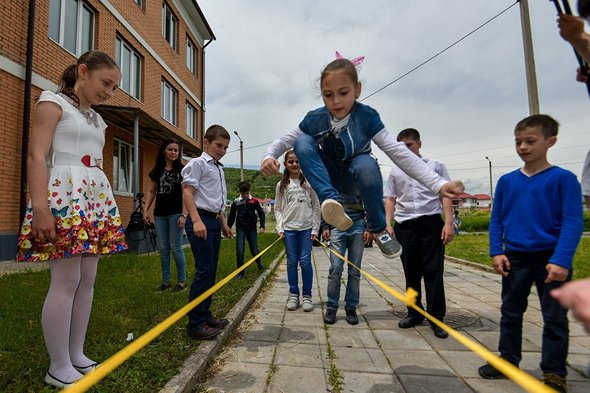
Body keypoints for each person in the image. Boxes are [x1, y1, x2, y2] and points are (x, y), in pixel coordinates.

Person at [260, 52, 464, 261]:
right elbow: (285, 139)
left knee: (365, 163)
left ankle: (378, 229)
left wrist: (438, 184)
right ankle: (330, 200)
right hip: (328, 177)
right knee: (301, 142)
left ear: (357, 90)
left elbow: (398, 152)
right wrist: (269, 156)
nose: (336, 101)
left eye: (343, 92)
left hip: (356, 177)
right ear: (322, 95)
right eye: (328, 95)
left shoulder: (366, 117)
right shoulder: (315, 119)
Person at [15, 51, 126, 388]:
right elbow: (36, 155)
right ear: (82, 71)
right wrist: (40, 208)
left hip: (93, 198)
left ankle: (76, 354)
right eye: (106, 83)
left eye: (114, 87)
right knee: (65, 280)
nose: (109, 92)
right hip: (65, 196)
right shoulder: (51, 102)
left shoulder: (97, 119)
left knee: (87, 279)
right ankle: (57, 365)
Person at [477, 114, 583, 393]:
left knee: (555, 318)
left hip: (551, 261)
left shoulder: (564, 179)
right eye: (518, 142)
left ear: (550, 141)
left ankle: (554, 372)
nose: (523, 147)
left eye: (530, 141)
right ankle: (509, 359)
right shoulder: (507, 181)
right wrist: (496, 251)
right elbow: (497, 218)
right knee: (510, 312)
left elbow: (573, 221)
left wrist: (561, 260)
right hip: (515, 258)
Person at [384, 128, 455, 339]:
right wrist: (388, 223)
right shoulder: (395, 172)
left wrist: (449, 223)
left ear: (419, 144)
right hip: (405, 226)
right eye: (401, 147)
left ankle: (436, 318)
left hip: (431, 223)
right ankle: (414, 313)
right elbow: (390, 199)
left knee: (433, 272)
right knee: (411, 272)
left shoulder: (435, 167)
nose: (405, 150)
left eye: (409, 146)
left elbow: (446, 195)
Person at [181, 125, 233, 340]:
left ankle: (205, 313)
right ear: (206, 142)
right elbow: (187, 192)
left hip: (213, 221)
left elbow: (215, 201)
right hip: (199, 220)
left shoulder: (218, 168)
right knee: (203, 271)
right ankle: (195, 324)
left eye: (226, 147)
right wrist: (195, 220)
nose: (222, 150)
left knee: (211, 271)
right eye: (218, 145)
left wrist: (224, 223)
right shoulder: (197, 164)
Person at [274, 150, 321, 312]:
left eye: (297, 161)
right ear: (286, 165)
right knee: (292, 262)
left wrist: (315, 229)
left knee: (306, 262)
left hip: (306, 229)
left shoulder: (309, 183)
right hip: (289, 230)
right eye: (291, 162)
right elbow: (278, 209)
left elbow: (316, 207)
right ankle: (294, 294)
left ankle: (307, 296)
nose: (294, 164)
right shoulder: (282, 185)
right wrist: (280, 227)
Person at [144, 139, 188, 292]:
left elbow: (185, 193)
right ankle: (166, 282)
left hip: (176, 213)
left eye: (176, 150)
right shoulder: (157, 170)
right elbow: (151, 191)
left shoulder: (182, 170)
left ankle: (182, 281)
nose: (173, 152)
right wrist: (146, 210)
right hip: (160, 214)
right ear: (164, 150)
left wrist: (184, 214)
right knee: (163, 249)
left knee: (176, 248)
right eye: (170, 149)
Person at [322, 195, 366, 325]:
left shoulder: (360, 178)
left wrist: (368, 227)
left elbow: (369, 201)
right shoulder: (333, 178)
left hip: (358, 226)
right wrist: (325, 226)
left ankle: (351, 307)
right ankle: (331, 306)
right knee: (335, 268)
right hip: (337, 225)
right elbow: (326, 203)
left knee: (354, 270)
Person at [227, 181, 266, 279]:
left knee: (254, 250)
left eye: (247, 193)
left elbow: (261, 213)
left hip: (252, 228)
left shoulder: (254, 201)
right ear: (240, 191)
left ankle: (259, 262)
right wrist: (228, 228)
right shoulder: (236, 202)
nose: (245, 195)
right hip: (240, 228)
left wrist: (262, 226)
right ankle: (240, 273)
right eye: (243, 193)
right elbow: (231, 216)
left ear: (249, 191)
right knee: (240, 251)